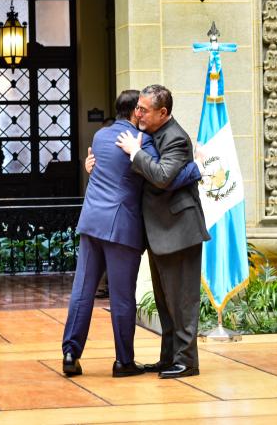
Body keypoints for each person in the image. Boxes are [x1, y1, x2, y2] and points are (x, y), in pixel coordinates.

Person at [62, 90, 200, 378]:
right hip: (120, 228)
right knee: (122, 296)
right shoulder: (142, 142)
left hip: (91, 222)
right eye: (140, 108)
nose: (142, 113)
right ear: (135, 112)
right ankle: (124, 362)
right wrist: (195, 170)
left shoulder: (100, 137)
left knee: (82, 291)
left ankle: (70, 352)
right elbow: (164, 176)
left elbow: (110, 170)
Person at [116, 84, 210, 379]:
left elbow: (160, 176)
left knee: (182, 302)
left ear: (163, 112)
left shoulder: (177, 138)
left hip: (179, 232)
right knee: (166, 302)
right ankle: (169, 357)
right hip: (161, 232)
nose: (138, 113)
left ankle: (187, 362)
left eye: (144, 109)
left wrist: (134, 154)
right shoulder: (155, 133)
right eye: (138, 107)